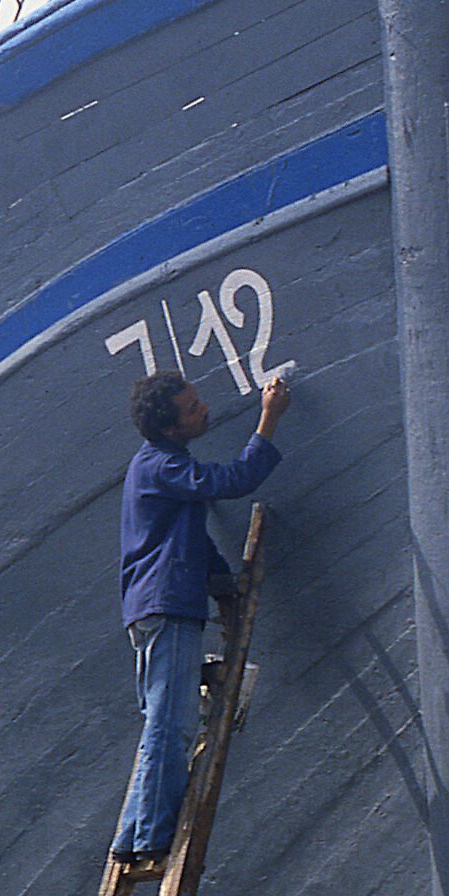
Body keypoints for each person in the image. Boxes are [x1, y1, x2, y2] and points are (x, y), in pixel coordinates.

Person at [110, 369, 290, 863]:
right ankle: (152, 837)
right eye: (193, 409)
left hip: (159, 605)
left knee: (163, 720)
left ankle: (131, 836)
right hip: (165, 606)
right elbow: (234, 481)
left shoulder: (161, 467)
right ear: (170, 428)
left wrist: (224, 591)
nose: (205, 409)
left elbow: (192, 542)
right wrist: (269, 419)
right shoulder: (162, 466)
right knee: (171, 724)